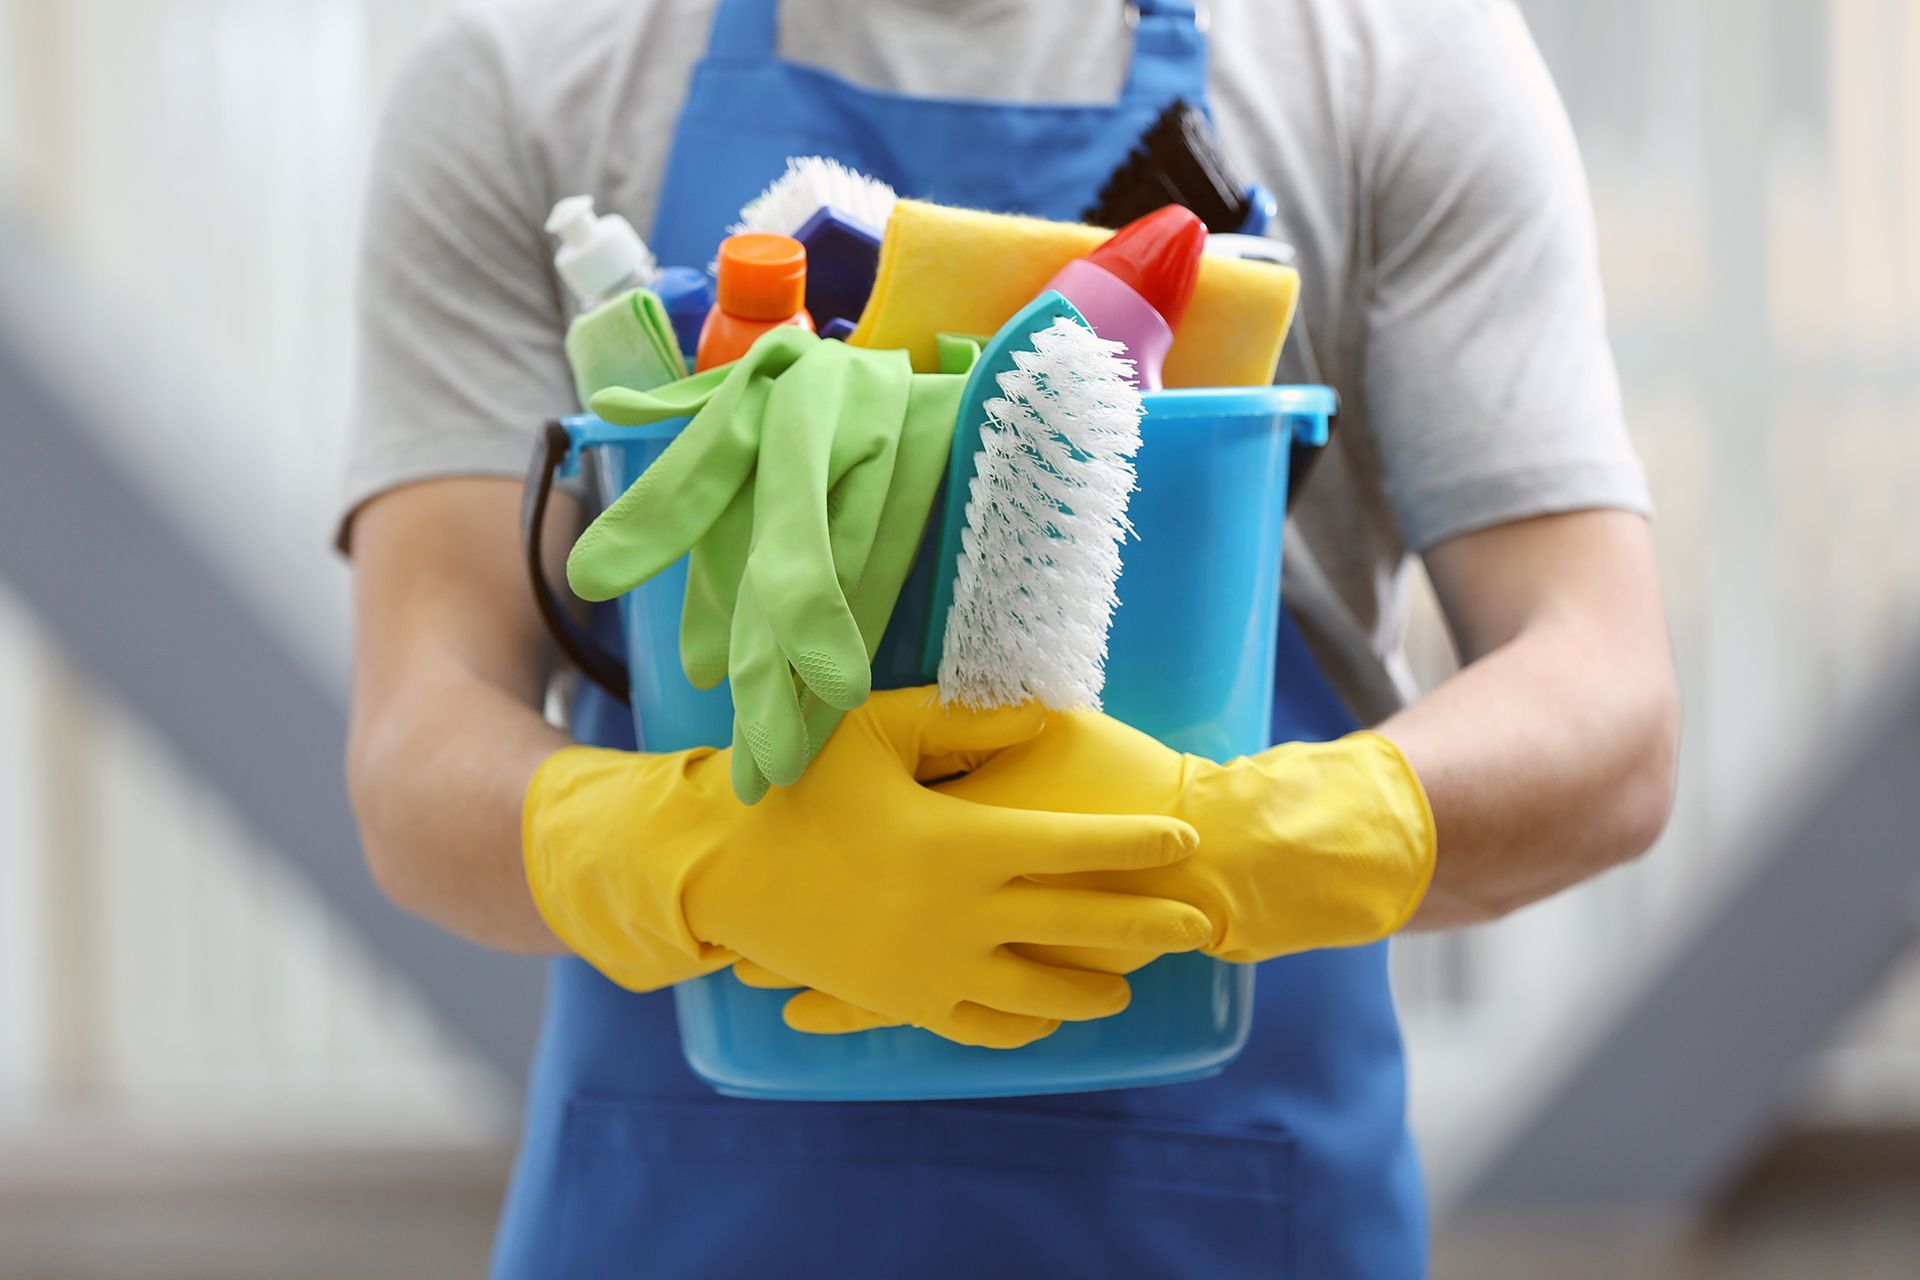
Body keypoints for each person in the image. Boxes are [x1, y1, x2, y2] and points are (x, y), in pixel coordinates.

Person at [339, 0, 1680, 1275]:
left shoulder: (1387, 56)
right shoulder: (525, 79)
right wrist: (682, 855)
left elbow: (1606, 701)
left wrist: (1241, 841)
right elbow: (420, 743)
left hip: (1225, 1222)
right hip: (687, 1214)